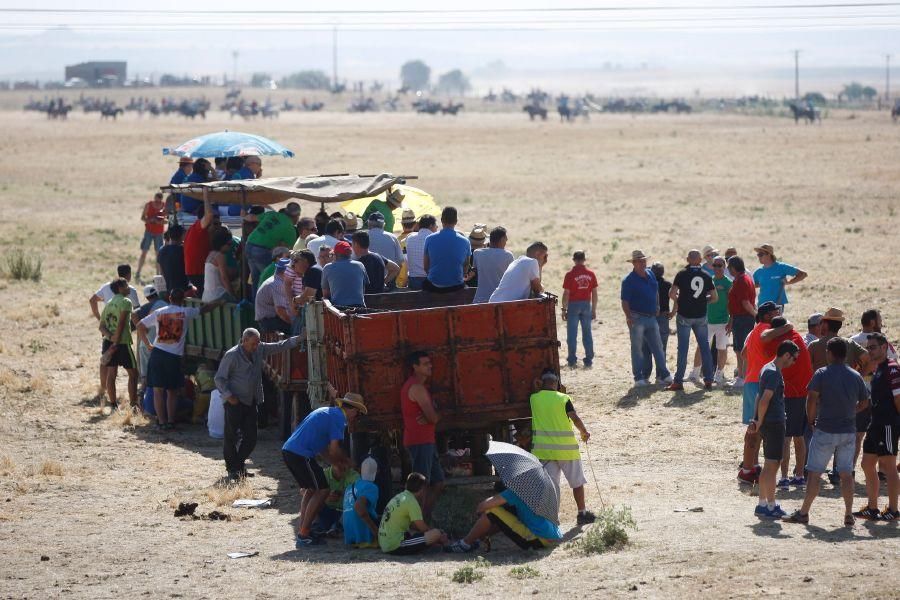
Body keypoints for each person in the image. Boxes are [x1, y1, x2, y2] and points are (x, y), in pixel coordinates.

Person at [783, 338, 869, 526]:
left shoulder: (822, 374)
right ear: (845, 354)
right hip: (848, 431)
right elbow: (864, 402)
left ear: (829, 353)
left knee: (814, 473)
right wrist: (851, 411)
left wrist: (811, 420)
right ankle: (848, 514)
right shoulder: (855, 376)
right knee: (846, 474)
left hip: (825, 429)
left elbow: (811, 399)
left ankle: (804, 512)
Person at [282, 391, 366, 547]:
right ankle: (304, 533)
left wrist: (336, 463)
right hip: (300, 454)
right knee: (323, 490)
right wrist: (346, 461)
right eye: (358, 413)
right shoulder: (339, 419)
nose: (356, 417)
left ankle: (303, 531)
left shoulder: (328, 412)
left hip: (290, 451)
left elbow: (323, 449)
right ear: (353, 410)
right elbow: (334, 450)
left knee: (311, 490)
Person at [216, 328, 302, 480]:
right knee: (231, 437)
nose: (256, 347)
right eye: (253, 344)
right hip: (234, 402)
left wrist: (299, 338)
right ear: (244, 341)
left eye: (257, 343)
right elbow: (219, 379)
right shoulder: (232, 355)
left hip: (251, 401)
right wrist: (229, 396)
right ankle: (233, 469)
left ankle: (238, 465)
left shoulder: (259, 349)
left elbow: (279, 346)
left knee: (251, 438)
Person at [137, 288, 221, 429]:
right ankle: (170, 421)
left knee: (157, 391)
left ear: (169, 298)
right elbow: (205, 309)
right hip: (173, 357)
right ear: (182, 301)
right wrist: (219, 302)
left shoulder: (159, 312)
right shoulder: (186, 312)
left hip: (157, 353)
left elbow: (139, 325)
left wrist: (148, 344)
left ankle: (161, 422)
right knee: (172, 391)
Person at [807, 307, 870, 480]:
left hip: (820, 395)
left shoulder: (814, 345)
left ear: (825, 324)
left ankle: (811, 468)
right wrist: (860, 375)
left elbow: (806, 369)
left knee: (816, 432)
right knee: (843, 433)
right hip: (846, 397)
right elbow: (868, 359)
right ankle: (838, 471)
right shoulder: (848, 344)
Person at [736, 302, 794, 484]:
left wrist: (754, 364)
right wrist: (788, 326)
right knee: (757, 427)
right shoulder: (767, 329)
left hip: (750, 380)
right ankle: (748, 469)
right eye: (776, 311)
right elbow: (769, 338)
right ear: (768, 316)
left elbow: (744, 353)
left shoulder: (752, 331)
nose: (779, 313)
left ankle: (750, 466)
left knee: (753, 426)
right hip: (762, 382)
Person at [530, 370, 596, 524]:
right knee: (577, 483)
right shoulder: (563, 398)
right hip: (567, 451)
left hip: (544, 452)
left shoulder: (534, 399)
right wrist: (584, 432)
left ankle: (552, 518)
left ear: (542, 382)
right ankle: (582, 513)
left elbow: (537, 393)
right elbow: (575, 418)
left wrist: (537, 386)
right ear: (557, 383)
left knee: (552, 487)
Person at [748, 340, 798, 519]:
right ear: (786, 355)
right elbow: (764, 400)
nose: (793, 362)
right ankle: (769, 505)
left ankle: (764, 504)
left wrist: (756, 420)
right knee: (771, 466)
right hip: (773, 423)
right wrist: (759, 421)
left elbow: (758, 396)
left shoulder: (767, 368)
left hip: (769, 422)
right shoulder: (773, 373)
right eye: (793, 359)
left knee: (771, 465)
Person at [854, 332, 900, 521]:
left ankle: (893, 510)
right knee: (867, 464)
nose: (869, 350)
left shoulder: (892, 369)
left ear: (884, 347)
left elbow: (898, 399)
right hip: (876, 423)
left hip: (887, 423)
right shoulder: (878, 368)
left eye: (873, 347)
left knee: (888, 467)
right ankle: (872, 508)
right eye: (868, 347)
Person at [445, 482, 563, 553]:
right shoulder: (540, 487)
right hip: (552, 536)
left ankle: (465, 544)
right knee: (507, 512)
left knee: (492, 511)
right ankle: (479, 538)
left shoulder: (517, 490)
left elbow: (482, 507)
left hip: (538, 540)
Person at [771, 318, 814, 490]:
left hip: (792, 394)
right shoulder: (795, 337)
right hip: (801, 393)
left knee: (787, 437)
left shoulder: (788, 344)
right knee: (798, 436)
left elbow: (783, 367)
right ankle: (799, 476)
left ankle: (784, 477)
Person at [401, 351, 445, 518]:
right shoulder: (416, 388)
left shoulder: (419, 387)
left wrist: (432, 417)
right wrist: (437, 415)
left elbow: (430, 418)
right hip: (419, 441)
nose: (430, 366)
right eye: (425, 364)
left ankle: (423, 518)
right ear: (415, 367)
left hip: (426, 441)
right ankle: (415, 521)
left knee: (438, 482)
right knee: (420, 485)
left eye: (429, 363)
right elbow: (433, 417)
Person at [620, 250, 672, 387]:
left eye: (644, 260)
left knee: (658, 347)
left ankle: (664, 374)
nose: (643, 263)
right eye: (640, 261)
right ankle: (638, 378)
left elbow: (655, 291)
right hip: (636, 317)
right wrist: (628, 317)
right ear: (634, 263)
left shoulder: (650, 274)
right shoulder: (628, 281)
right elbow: (625, 301)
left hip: (651, 317)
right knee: (637, 348)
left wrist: (657, 306)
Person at [667, 250, 717, 391]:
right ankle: (708, 379)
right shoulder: (707, 275)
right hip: (701, 315)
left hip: (684, 315)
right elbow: (714, 297)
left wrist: (680, 300)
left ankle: (678, 381)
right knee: (705, 347)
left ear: (688, 259)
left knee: (683, 348)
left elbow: (672, 293)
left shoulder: (682, 274)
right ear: (700, 259)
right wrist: (702, 300)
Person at [378, 472, 449, 555]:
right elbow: (423, 528)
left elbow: (414, 526)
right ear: (422, 489)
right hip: (395, 545)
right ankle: (442, 543)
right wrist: (439, 535)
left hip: (385, 542)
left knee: (419, 533)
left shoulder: (399, 496)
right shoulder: (411, 502)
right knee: (436, 533)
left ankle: (434, 544)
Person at [98, 278, 138, 413]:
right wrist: (116, 339)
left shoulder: (109, 302)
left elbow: (101, 326)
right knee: (133, 374)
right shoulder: (126, 302)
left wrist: (110, 337)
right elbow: (122, 323)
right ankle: (134, 406)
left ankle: (113, 404)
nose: (129, 288)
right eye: (126, 285)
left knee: (111, 374)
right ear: (120, 288)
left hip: (108, 342)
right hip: (122, 343)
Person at [245, 203, 300, 291]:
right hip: (262, 250)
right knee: (268, 279)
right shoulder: (290, 228)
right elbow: (289, 251)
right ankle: (265, 303)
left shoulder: (272, 214)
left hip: (249, 245)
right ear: (297, 216)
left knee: (255, 280)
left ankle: (256, 303)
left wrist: (244, 215)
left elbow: (251, 218)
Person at [561, 251, 598, 368]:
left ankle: (572, 360)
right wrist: (594, 309)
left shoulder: (569, 275)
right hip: (586, 304)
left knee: (572, 334)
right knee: (587, 333)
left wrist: (564, 308)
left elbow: (566, 293)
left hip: (573, 305)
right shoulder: (591, 274)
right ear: (584, 259)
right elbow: (594, 293)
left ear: (574, 260)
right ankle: (588, 359)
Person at [423, 207, 470, 293]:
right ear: (456, 221)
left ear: (441, 220)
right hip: (456, 286)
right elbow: (466, 265)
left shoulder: (429, 239)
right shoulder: (465, 241)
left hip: (434, 285)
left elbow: (426, 267)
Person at [640, 262, 674, 382]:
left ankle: (645, 375)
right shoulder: (667, 284)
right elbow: (677, 298)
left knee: (646, 348)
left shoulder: (647, 284)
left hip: (649, 317)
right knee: (662, 347)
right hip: (663, 318)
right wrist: (673, 312)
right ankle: (660, 375)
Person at [727, 255, 756, 388]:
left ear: (734, 267)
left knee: (742, 350)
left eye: (729, 266)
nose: (728, 269)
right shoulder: (743, 278)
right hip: (740, 318)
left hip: (743, 319)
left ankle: (743, 377)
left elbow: (745, 303)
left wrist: (756, 315)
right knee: (739, 349)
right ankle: (741, 376)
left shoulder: (742, 281)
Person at [182, 193, 218, 295]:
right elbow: (209, 214)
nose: (215, 226)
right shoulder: (198, 228)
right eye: (214, 223)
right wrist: (206, 195)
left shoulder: (202, 231)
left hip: (197, 272)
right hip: (197, 272)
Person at [752, 243, 807, 308]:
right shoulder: (758, 272)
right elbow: (752, 285)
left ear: (769, 254)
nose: (759, 257)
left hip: (776, 306)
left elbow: (803, 274)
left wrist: (789, 282)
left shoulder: (781, 267)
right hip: (761, 306)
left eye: (761, 254)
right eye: (758, 254)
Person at [134, 284, 167, 392]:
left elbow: (133, 314)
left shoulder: (148, 306)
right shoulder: (166, 305)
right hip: (163, 347)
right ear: (156, 293)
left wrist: (143, 329)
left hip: (147, 346)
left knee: (145, 376)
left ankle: (143, 399)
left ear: (147, 298)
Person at [312, 463, 360, 537]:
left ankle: (336, 527)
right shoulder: (324, 474)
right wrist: (325, 497)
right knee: (314, 501)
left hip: (344, 511)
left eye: (344, 461)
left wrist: (342, 494)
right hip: (326, 509)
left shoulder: (353, 475)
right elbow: (305, 491)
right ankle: (317, 526)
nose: (342, 465)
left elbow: (359, 493)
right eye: (338, 461)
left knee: (354, 507)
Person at [343, 457, 381, 547]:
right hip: (363, 537)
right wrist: (375, 530)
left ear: (360, 470)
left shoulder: (350, 487)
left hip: (349, 536)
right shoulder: (372, 487)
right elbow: (358, 507)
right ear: (377, 471)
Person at [471, 226, 514, 303]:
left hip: (479, 300)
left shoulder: (477, 253)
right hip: (500, 300)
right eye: (505, 238)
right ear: (501, 240)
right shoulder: (508, 255)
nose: (506, 240)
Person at [321, 241, 368, 307]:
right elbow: (363, 289)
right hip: (360, 308)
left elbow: (325, 295)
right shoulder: (360, 265)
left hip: (338, 309)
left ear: (336, 254)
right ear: (350, 253)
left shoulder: (327, 268)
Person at [351, 230, 399, 294]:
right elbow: (396, 268)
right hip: (380, 298)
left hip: (366, 300)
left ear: (356, 244)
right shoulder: (379, 257)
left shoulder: (358, 264)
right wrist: (384, 282)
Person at [254, 258, 292, 335]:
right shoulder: (277, 284)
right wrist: (293, 323)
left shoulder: (274, 280)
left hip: (268, 319)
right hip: (270, 321)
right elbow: (280, 310)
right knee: (297, 331)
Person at [136, 192, 166, 283]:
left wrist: (161, 222)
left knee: (158, 254)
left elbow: (167, 220)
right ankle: (138, 272)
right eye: (156, 201)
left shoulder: (164, 206)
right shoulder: (148, 205)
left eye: (159, 201)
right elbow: (142, 217)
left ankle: (158, 275)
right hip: (148, 231)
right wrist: (150, 220)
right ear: (154, 198)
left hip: (159, 233)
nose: (157, 203)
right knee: (144, 252)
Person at [365, 212, 404, 283]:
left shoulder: (363, 237)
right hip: (389, 281)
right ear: (383, 225)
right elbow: (400, 262)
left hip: (368, 283)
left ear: (369, 224)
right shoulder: (392, 237)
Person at [201, 227, 237, 303]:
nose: (230, 247)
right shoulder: (220, 256)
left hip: (205, 296)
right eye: (229, 244)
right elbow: (224, 278)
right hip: (217, 296)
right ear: (221, 244)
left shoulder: (210, 254)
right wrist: (233, 296)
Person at [404, 214, 437, 291]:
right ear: (431, 225)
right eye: (436, 225)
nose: (437, 227)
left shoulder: (410, 238)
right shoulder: (435, 239)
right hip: (430, 280)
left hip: (413, 280)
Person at [156, 225, 190, 297]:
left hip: (169, 290)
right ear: (182, 236)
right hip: (183, 291)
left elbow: (161, 272)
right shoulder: (183, 250)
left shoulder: (162, 251)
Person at [395, 209, 417, 289]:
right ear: (415, 224)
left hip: (398, 283)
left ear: (402, 225)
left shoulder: (396, 241)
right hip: (414, 281)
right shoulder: (420, 239)